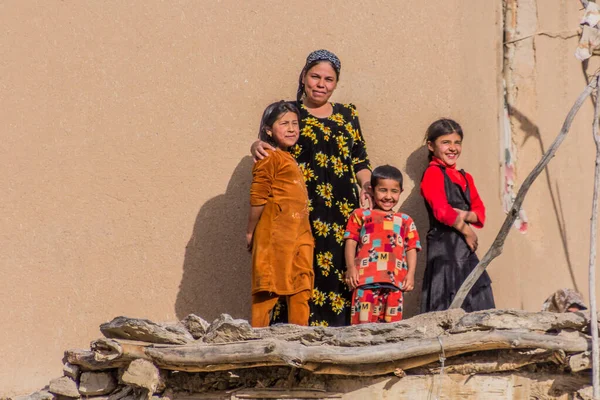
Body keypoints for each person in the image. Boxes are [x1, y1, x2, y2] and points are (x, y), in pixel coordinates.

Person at [251, 50, 372, 326]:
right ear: (303, 77)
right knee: (300, 274)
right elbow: (269, 145)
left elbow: (360, 158)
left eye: (329, 79)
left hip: (342, 212)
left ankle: (338, 344)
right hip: (302, 214)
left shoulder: (348, 114)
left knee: (340, 272)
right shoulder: (292, 114)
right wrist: (255, 145)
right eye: (315, 76)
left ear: (336, 83)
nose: (321, 84)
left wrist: (366, 184)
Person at [246, 101, 314, 327]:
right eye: (284, 123)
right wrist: (250, 231)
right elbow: (258, 196)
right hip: (274, 238)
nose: (292, 128)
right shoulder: (268, 156)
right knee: (268, 290)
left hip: (298, 237)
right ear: (268, 130)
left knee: (301, 289)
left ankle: (300, 343)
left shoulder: (288, 156)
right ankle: (256, 344)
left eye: (295, 123)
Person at [420, 118, 495, 313]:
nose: (452, 148)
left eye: (457, 142)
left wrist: (462, 214)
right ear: (431, 145)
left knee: (478, 304)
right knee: (447, 306)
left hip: (465, 254)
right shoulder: (433, 174)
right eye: (445, 142)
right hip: (444, 253)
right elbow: (441, 210)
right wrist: (467, 230)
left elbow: (481, 215)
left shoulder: (465, 177)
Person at [344, 165, 421, 324]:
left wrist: (410, 274)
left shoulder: (405, 221)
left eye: (394, 191)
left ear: (401, 192)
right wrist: (351, 267)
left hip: (394, 284)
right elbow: (350, 241)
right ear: (371, 190)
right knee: (361, 330)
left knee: (391, 331)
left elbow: (411, 248)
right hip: (364, 282)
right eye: (382, 190)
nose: (388, 196)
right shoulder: (361, 215)